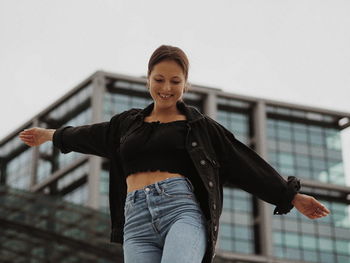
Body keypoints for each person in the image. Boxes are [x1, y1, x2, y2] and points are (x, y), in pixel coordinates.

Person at [19, 45, 330, 263]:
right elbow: (89, 135)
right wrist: (50, 135)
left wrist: (292, 197)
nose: (166, 87)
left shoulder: (200, 127)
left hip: (180, 211)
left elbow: (242, 160)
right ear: (148, 79)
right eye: (159, 79)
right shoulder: (127, 124)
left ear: (186, 84)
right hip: (135, 219)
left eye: (175, 81)